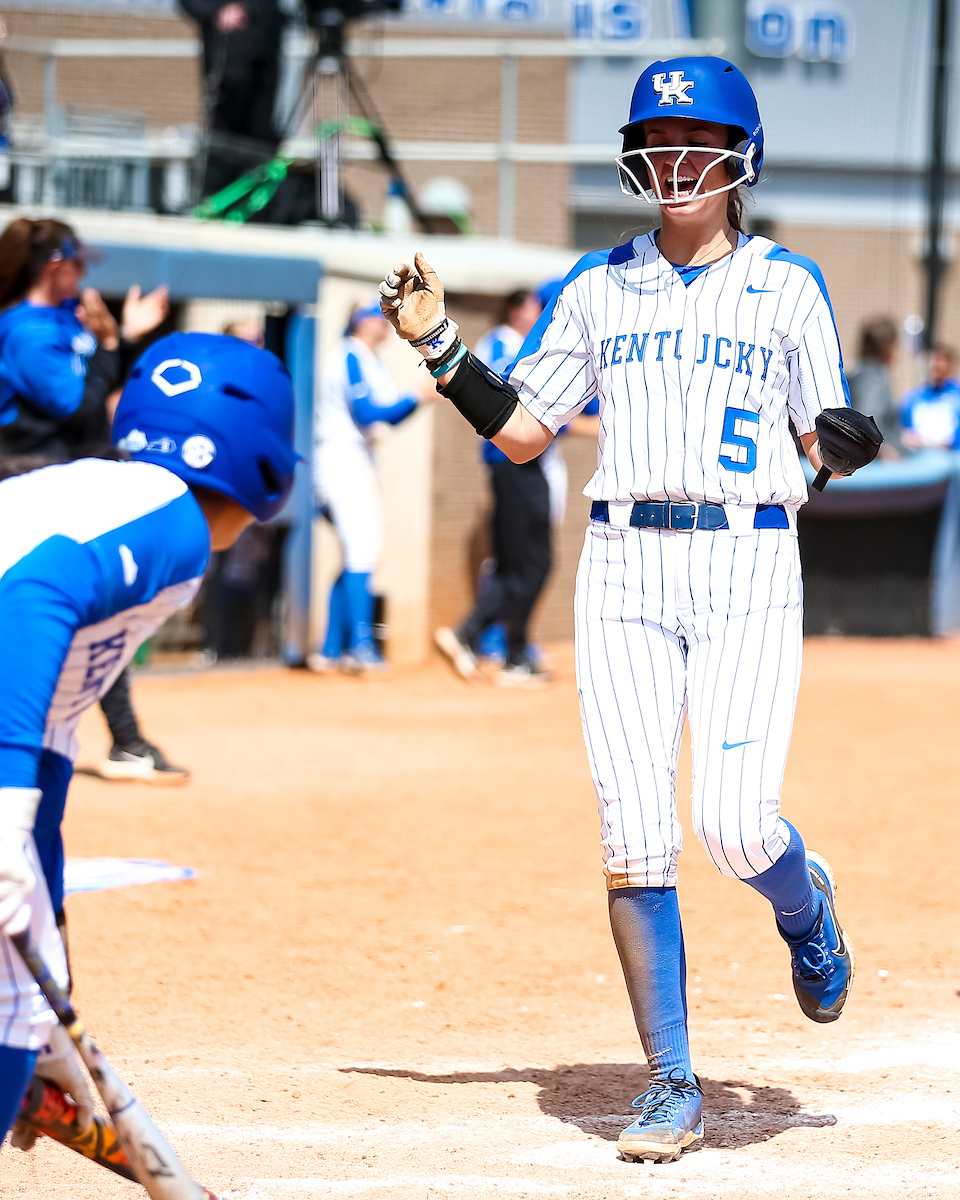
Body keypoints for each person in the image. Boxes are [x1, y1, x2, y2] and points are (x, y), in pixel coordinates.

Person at [380, 56, 882, 1163]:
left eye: (697, 142)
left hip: (747, 559)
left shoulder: (788, 285)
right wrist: (437, 344)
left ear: (740, 156)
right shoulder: (600, 286)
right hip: (621, 569)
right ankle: (669, 1082)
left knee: (738, 824)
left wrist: (841, 442)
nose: (675, 161)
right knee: (633, 831)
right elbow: (522, 431)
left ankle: (806, 909)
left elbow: (824, 432)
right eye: (658, 142)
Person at [0, 331, 298, 1151]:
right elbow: (32, 595)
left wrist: (50, 958)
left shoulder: (117, 500)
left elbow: (53, 743)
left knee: (19, 1011)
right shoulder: (174, 523)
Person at [0, 217, 185, 786]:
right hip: (25, 478)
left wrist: (119, 340)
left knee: (95, 607)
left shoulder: (59, 320)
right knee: (72, 609)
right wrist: (114, 344)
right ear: (52, 265)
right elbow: (78, 410)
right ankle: (124, 740)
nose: (84, 273)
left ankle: (127, 740)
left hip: (60, 477)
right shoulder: (28, 331)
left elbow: (93, 387)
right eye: (77, 262)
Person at [434, 290, 556, 688]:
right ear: (517, 310)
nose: (539, 313)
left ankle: (485, 640)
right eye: (534, 306)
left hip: (518, 462)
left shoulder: (513, 342)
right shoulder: (503, 342)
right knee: (533, 561)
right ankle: (506, 650)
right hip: (512, 462)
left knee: (516, 561)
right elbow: (516, 400)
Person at [308, 301, 428, 675]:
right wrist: (415, 395)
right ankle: (359, 647)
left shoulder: (370, 359)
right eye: (378, 319)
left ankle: (331, 649)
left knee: (358, 551)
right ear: (361, 323)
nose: (385, 326)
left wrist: (417, 400)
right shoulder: (350, 355)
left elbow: (389, 416)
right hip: (341, 457)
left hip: (356, 458)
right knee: (362, 548)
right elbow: (367, 413)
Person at [179, 0, 285, 199]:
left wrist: (250, 10)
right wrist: (217, 11)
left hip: (263, 63)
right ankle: (214, 200)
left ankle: (260, 203)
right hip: (226, 62)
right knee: (220, 140)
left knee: (261, 138)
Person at [847, 316, 903, 459]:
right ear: (887, 346)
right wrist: (885, 451)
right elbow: (866, 422)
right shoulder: (873, 377)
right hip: (876, 468)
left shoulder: (855, 371)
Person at [899, 344, 960, 450]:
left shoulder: (956, 396)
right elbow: (904, 431)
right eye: (932, 360)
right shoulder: (914, 397)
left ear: (950, 364)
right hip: (919, 457)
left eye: (940, 360)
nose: (935, 364)